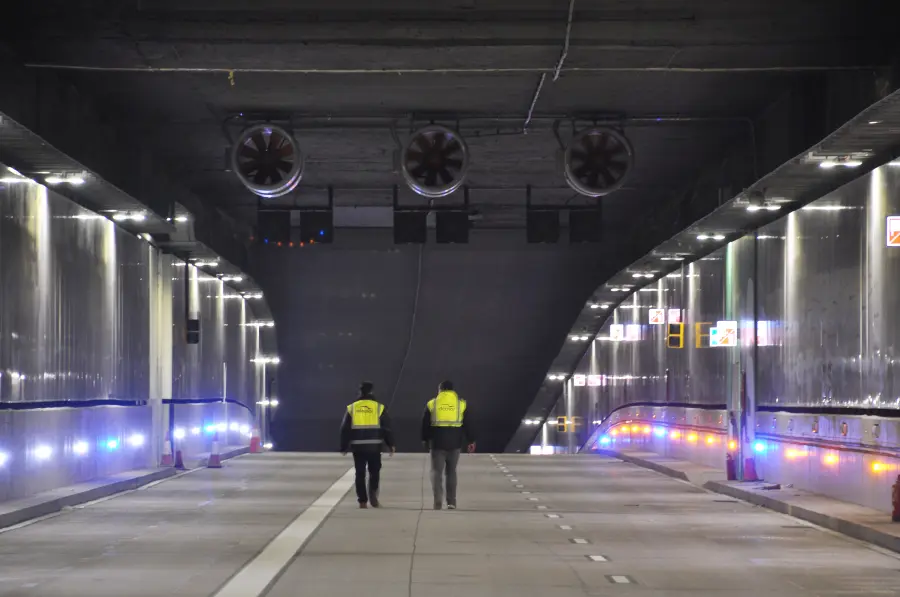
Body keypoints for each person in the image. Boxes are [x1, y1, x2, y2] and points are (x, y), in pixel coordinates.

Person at [421, 380, 475, 510]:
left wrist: (425, 440)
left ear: (440, 390)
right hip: (455, 443)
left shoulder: (432, 403)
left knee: (436, 472)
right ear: (452, 390)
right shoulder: (461, 404)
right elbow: (468, 424)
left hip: (437, 443)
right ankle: (451, 502)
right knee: (451, 472)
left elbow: (425, 424)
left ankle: (437, 501)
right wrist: (471, 440)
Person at [340, 381, 395, 508]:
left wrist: (344, 446)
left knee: (360, 473)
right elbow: (386, 428)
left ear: (360, 392)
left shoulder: (352, 407)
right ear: (372, 392)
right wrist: (390, 444)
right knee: (374, 471)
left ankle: (362, 501)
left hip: (358, 446)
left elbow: (345, 429)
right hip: (374, 446)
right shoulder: (379, 407)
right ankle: (373, 495)